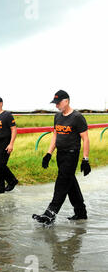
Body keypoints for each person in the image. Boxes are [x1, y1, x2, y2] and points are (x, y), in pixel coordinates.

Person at [33, 90, 91, 225]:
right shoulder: (57, 117)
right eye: (55, 103)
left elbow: (86, 139)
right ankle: (81, 212)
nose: (56, 106)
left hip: (72, 154)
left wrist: (85, 159)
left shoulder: (77, 117)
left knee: (62, 182)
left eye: (58, 103)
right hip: (60, 154)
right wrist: (48, 153)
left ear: (66, 101)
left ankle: (50, 213)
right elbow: (55, 135)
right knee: (70, 183)